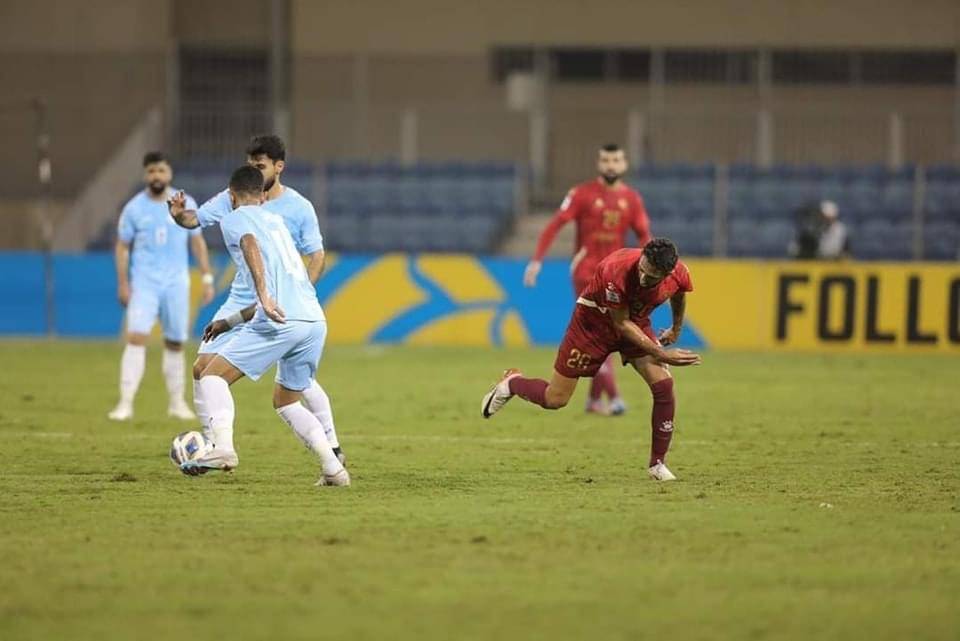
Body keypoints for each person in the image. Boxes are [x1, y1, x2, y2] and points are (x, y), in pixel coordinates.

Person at [167, 135, 345, 464]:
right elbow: (194, 220)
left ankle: (329, 445)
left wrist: (287, 293)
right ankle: (213, 444)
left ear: (279, 167)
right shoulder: (241, 203)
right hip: (256, 299)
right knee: (203, 367)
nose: (255, 171)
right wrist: (180, 216)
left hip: (279, 301)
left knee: (282, 384)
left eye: (260, 166)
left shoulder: (296, 207)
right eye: (251, 165)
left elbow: (313, 255)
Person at [483, 238, 701, 481]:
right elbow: (621, 323)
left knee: (664, 385)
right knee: (555, 399)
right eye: (642, 269)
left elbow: (678, 294)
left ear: (667, 273)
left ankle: (657, 464)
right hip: (592, 326)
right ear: (642, 257)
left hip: (635, 323)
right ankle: (512, 383)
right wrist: (660, 353)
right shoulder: (616, 269)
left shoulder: (679, 273)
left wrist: (676, 329)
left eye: (650, 277)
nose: (643, 278)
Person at [523, 143, 652, 416]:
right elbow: (554, 225)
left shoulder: (632, 199)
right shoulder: (581, 194)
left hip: (617, 276)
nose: (610, 165)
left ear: (624, 164)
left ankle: (594, 400)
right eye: (606, 160)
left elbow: (644, 236)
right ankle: (614, 397)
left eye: (615, 160)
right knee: (605, 332)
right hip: (587, 272)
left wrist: (648, 272)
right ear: (598, 163)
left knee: (608, 334)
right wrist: (536, 261)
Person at [108, 151, 215, 421]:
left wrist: (206, 277)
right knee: (136, 337)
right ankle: (125, 403)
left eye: (161, 170)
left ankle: (176, 403)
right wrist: (123, 283)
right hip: (144, 283)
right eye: (151, 171)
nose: (156, 176)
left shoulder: (185, 202)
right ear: (145, 175)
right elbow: (122, 246)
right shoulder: (134, 208)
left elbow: (197, 242)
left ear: (169, 173)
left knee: (175, 342)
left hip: (176, 284)